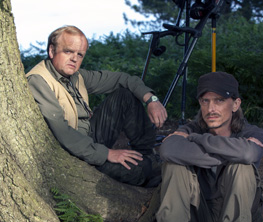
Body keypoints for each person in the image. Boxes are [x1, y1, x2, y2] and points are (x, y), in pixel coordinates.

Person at [142, 71, 263, 222]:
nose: (211, 109)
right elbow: (168, 149)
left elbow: (248, 156)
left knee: (242, 166)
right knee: (174, 164)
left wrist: (200, 141)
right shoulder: (190, 129)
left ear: (235, 104)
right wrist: (230, 150)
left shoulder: (252, 131)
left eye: (220, 101)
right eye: (205, 101)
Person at [26, 25, 167, 187]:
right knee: (139, 170)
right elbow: (64, 135)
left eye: (80, 54)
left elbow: (122, 79)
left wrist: (151, 100)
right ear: (52, 51)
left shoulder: (76, 75)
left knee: (124, 95)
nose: (74, 59)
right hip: (74, 150)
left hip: (90, 135)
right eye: (68, 51)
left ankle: (147, 154)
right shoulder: (38, 81)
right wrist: (107, 153)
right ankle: (147, 172)